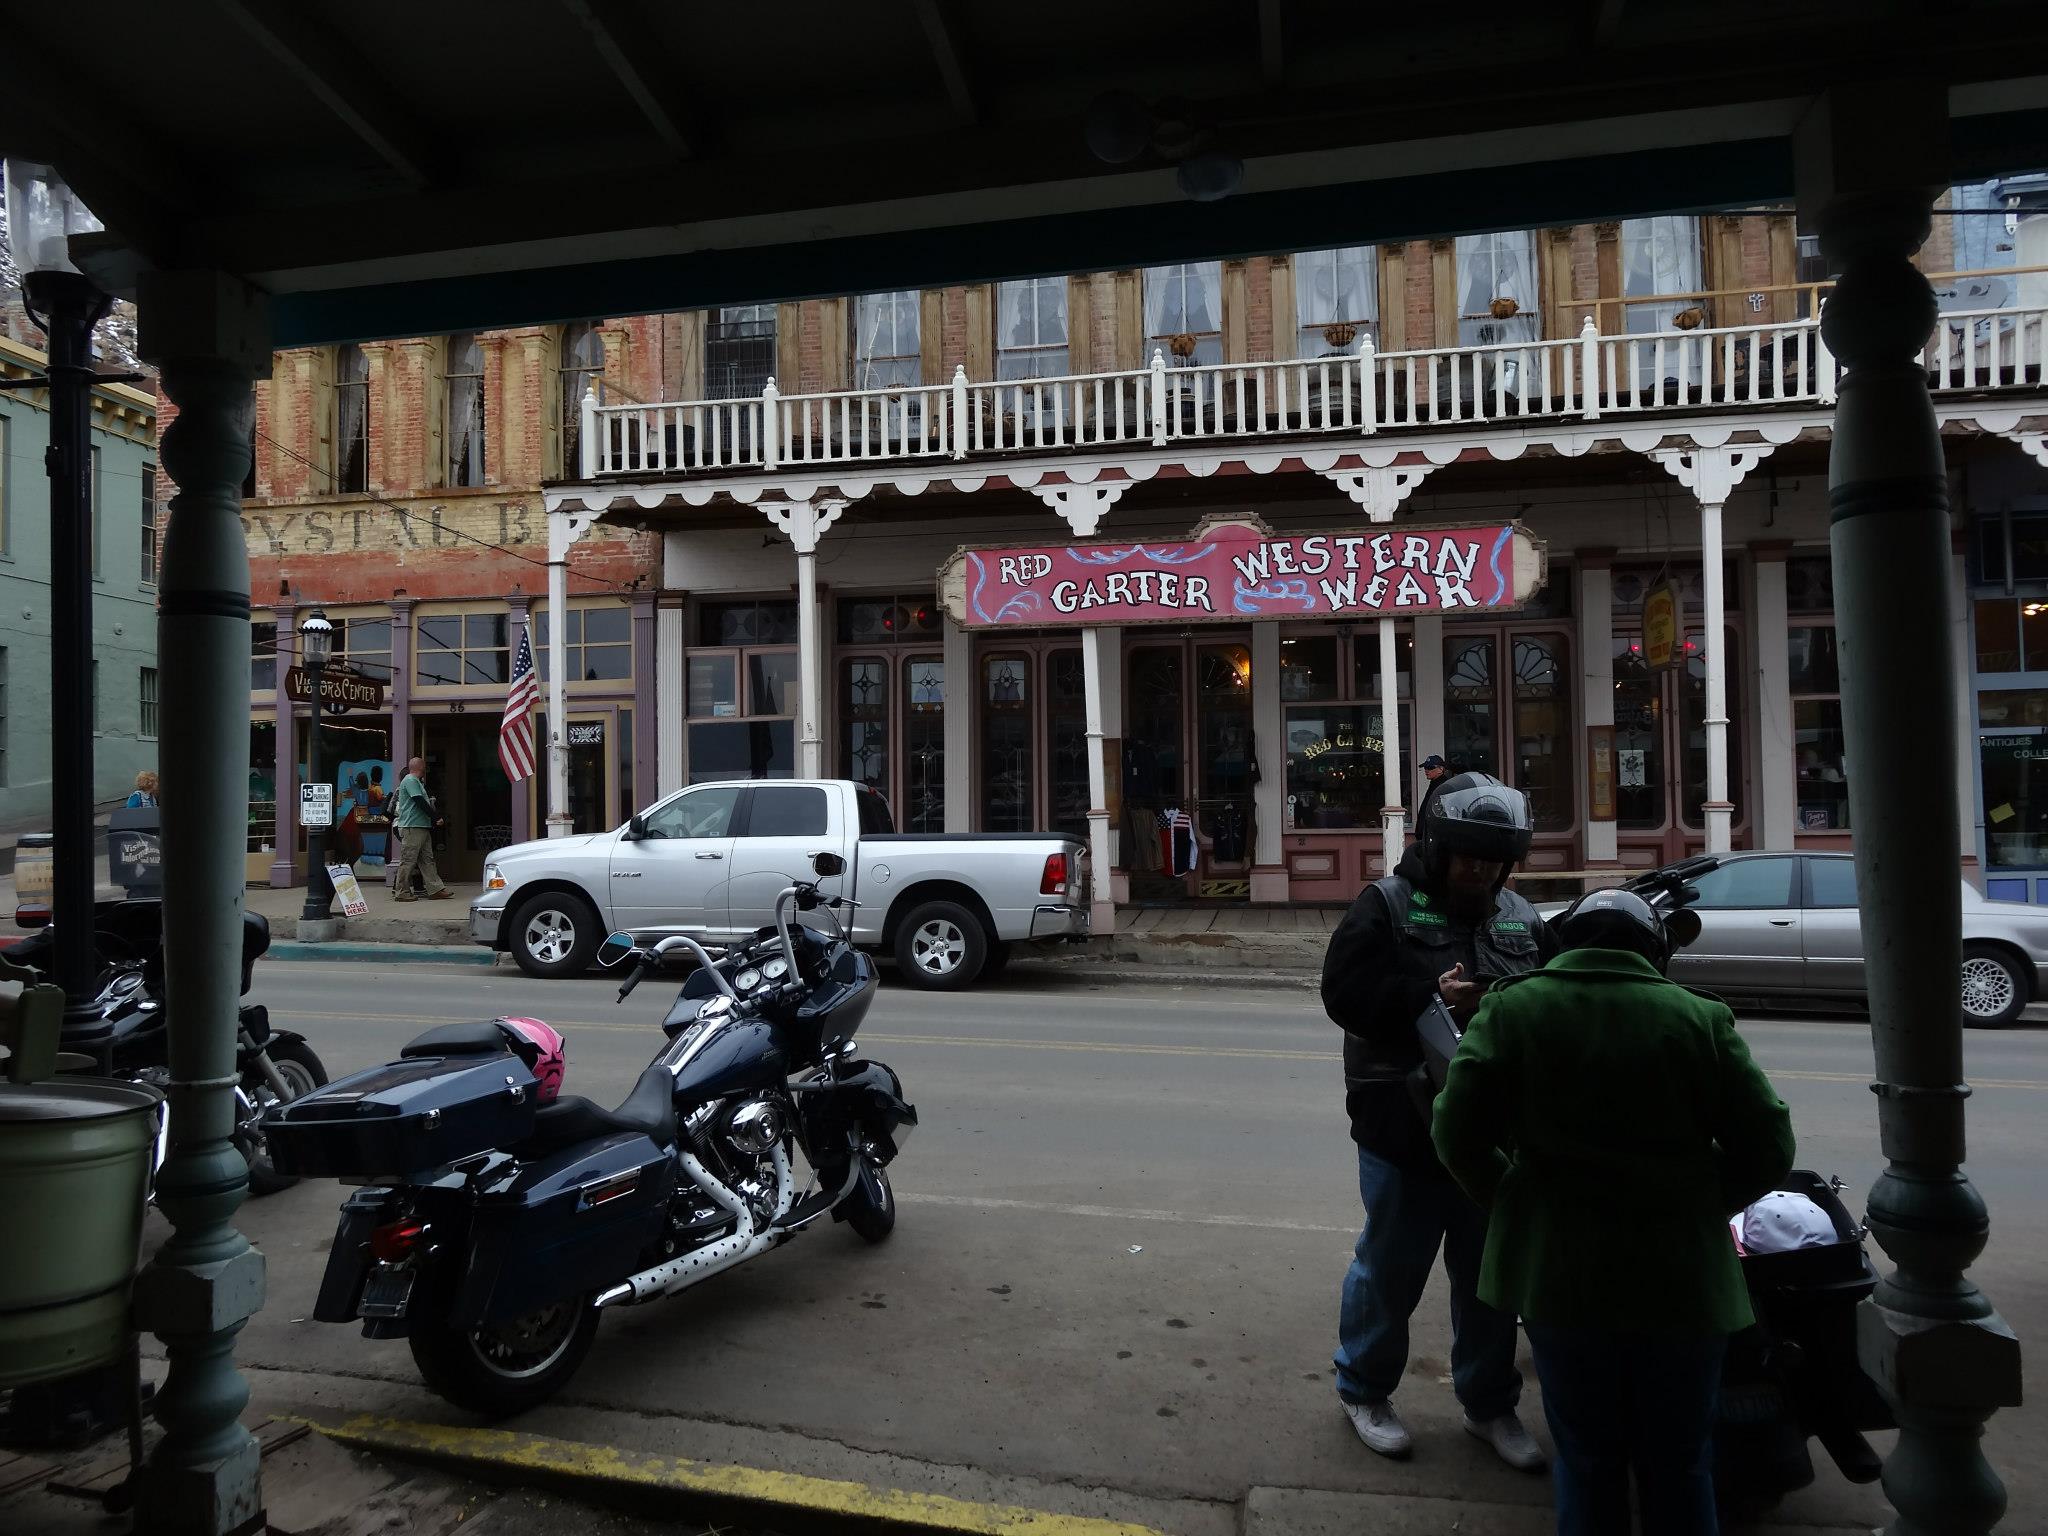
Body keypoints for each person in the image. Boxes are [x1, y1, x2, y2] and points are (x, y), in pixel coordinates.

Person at [1431, 888, 1795, 1536]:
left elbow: (1456, 1132)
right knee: (1681, 1465)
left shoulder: (1513, 1011)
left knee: (1588, 1460)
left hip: (1561, 1277)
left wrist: (1515, 1200)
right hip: (1684, 1284)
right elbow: (1769, 1146)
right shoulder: (1698, 1019)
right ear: (1655, 953)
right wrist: (1700, 1202)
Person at [1320, 771, 1554, 1470]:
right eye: (1467, 857)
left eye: (1493, 861)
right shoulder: (1385, 907)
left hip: (1491, 1136)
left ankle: (1489, 1405)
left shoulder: (1520, 915)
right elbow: (1345, 995)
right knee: (1391, 1270)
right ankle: (1363, 1389)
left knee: (1489, 1279)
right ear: (1437, 848)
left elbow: (1553, 992)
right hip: (1405, 1129)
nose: (1479, 872)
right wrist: (1428, 994)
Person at [393, 755, 452, 902]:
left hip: (421, 826)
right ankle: (402, 891)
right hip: (412, 826)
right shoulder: (411, 780)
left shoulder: (416, 782)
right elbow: (419, 801)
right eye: (424, 766)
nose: (426, 769)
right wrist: (435, 817)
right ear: (420, 767)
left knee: (427, 859)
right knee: (408, 860)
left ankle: (436, 889)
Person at [1415, 754, 1448, 829]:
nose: (1426, 770)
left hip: (1434, 832)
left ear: (1440, 769)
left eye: (1430, 767)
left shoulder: (1443, 786)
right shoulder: (1434, 784)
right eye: (1425, 767)